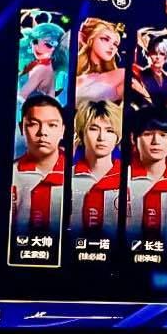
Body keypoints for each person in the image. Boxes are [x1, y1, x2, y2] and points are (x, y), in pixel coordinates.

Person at [8, 93, 68, 256]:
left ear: (63, 130)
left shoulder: (79, 175)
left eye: (52, 125)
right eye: (33, 124)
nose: (43, 132)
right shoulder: (10, 174)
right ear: (22, 128)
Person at [71, 101, 127, 255]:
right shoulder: (66, 178)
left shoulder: (130, 180)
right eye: (94, 129)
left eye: (110, 130)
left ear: (118, 136)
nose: (102, 137)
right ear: (81, 133)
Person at [122, 108, 167, 253]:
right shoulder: (119, 179)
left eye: (163, 135)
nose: (156, 141)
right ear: (133, 138)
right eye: (147, 134)